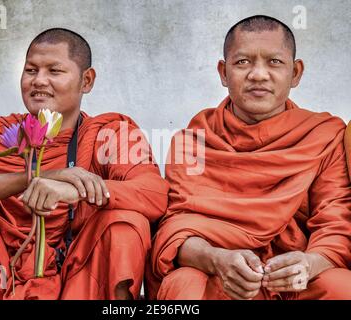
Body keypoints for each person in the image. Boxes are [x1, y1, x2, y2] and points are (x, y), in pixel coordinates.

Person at [0, 28, 169, 300]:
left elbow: (153, 192)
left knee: (125, 222)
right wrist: (41, 177)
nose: (39, 81)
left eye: (54, 71)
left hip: (80, 273)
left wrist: (77, 189)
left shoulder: (109, 134)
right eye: (31, 71)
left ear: (86, 81)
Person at [146, 15, 351, 300]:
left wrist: (308, 263)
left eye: (274, 62)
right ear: (223, 72)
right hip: (222, 276)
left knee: (341, 286)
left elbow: (335, 222)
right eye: (242, 62)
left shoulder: (322, 135)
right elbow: (175, 230)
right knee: (186, 282)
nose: (258, 74)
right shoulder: (194, 142)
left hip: (296, 281)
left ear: (295, 73)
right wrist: (216, 259)